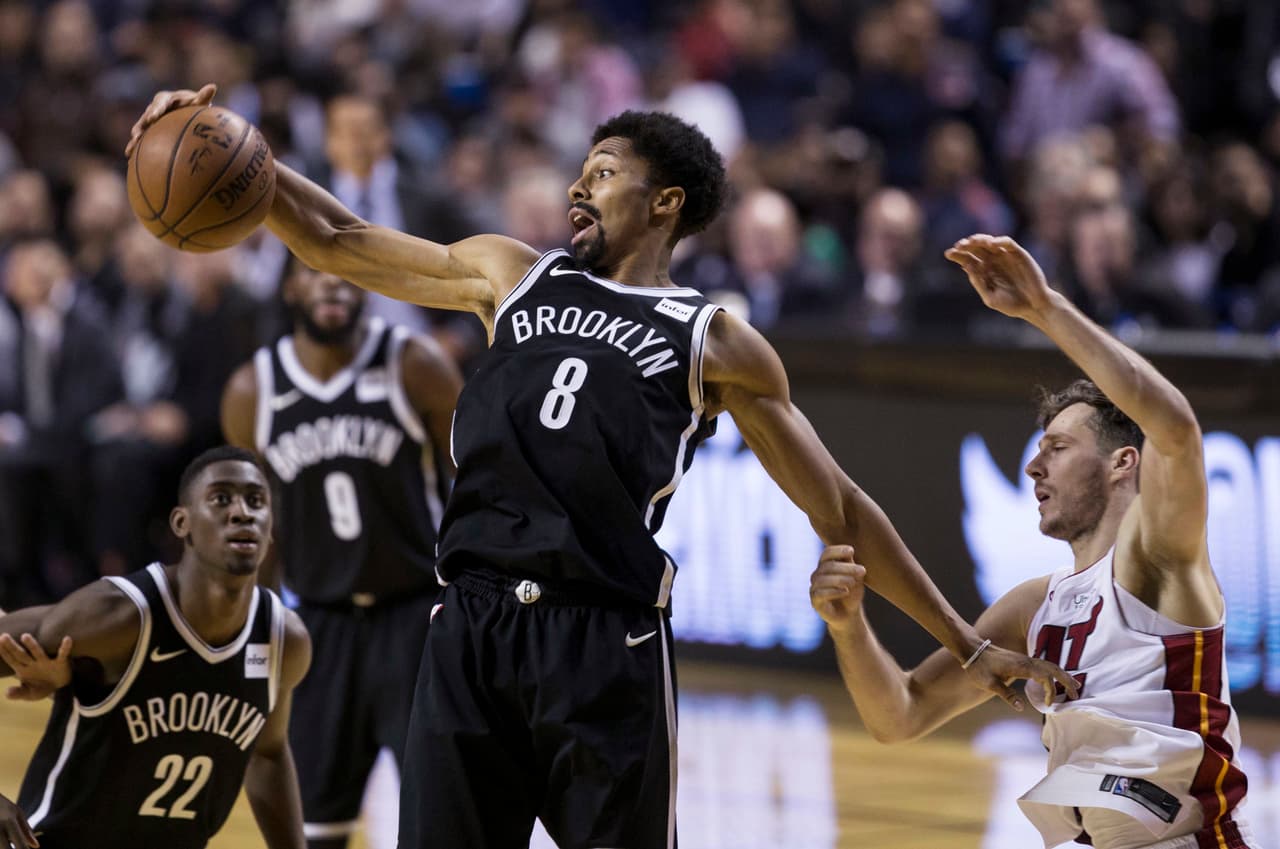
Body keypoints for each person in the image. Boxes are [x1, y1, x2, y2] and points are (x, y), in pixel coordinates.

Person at [129, 86, 1072, 849]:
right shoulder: (511, 274)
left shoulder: (717, 340)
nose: (579, 188)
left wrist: (963, 639)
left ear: (666, 203)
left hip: (604, 645)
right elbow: (335, 240)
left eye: (604, 173)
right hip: (469, 629)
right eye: (580, 173)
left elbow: (842, 509)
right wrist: (223, 145)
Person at [810, 234, 1257, 849]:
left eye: (1058, 448)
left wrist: (1045, 308)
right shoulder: (1032, 607)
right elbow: (901, 713)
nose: (1033, 468)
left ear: (1124, 462)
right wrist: (846, 626)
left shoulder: (1157, 561)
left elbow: (1174, 427)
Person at [221, 256, 462, 848]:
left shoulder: (415, 364)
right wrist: (249, 629)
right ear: (289, 288)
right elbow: (256, 532)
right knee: (316, 827)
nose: (333, 282)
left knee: (442, 818)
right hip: (318, 626)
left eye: (347, 272)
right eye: (314, 270)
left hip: (415, 618)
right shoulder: (255, 390)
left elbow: (477, 483)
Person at [0, 445, 312, 849]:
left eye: (256, 501)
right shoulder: (116, 615)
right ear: (182, 523)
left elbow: (268, 753)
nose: (241, 512)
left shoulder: (283, 639)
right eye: (221, 499)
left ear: (271, 528)